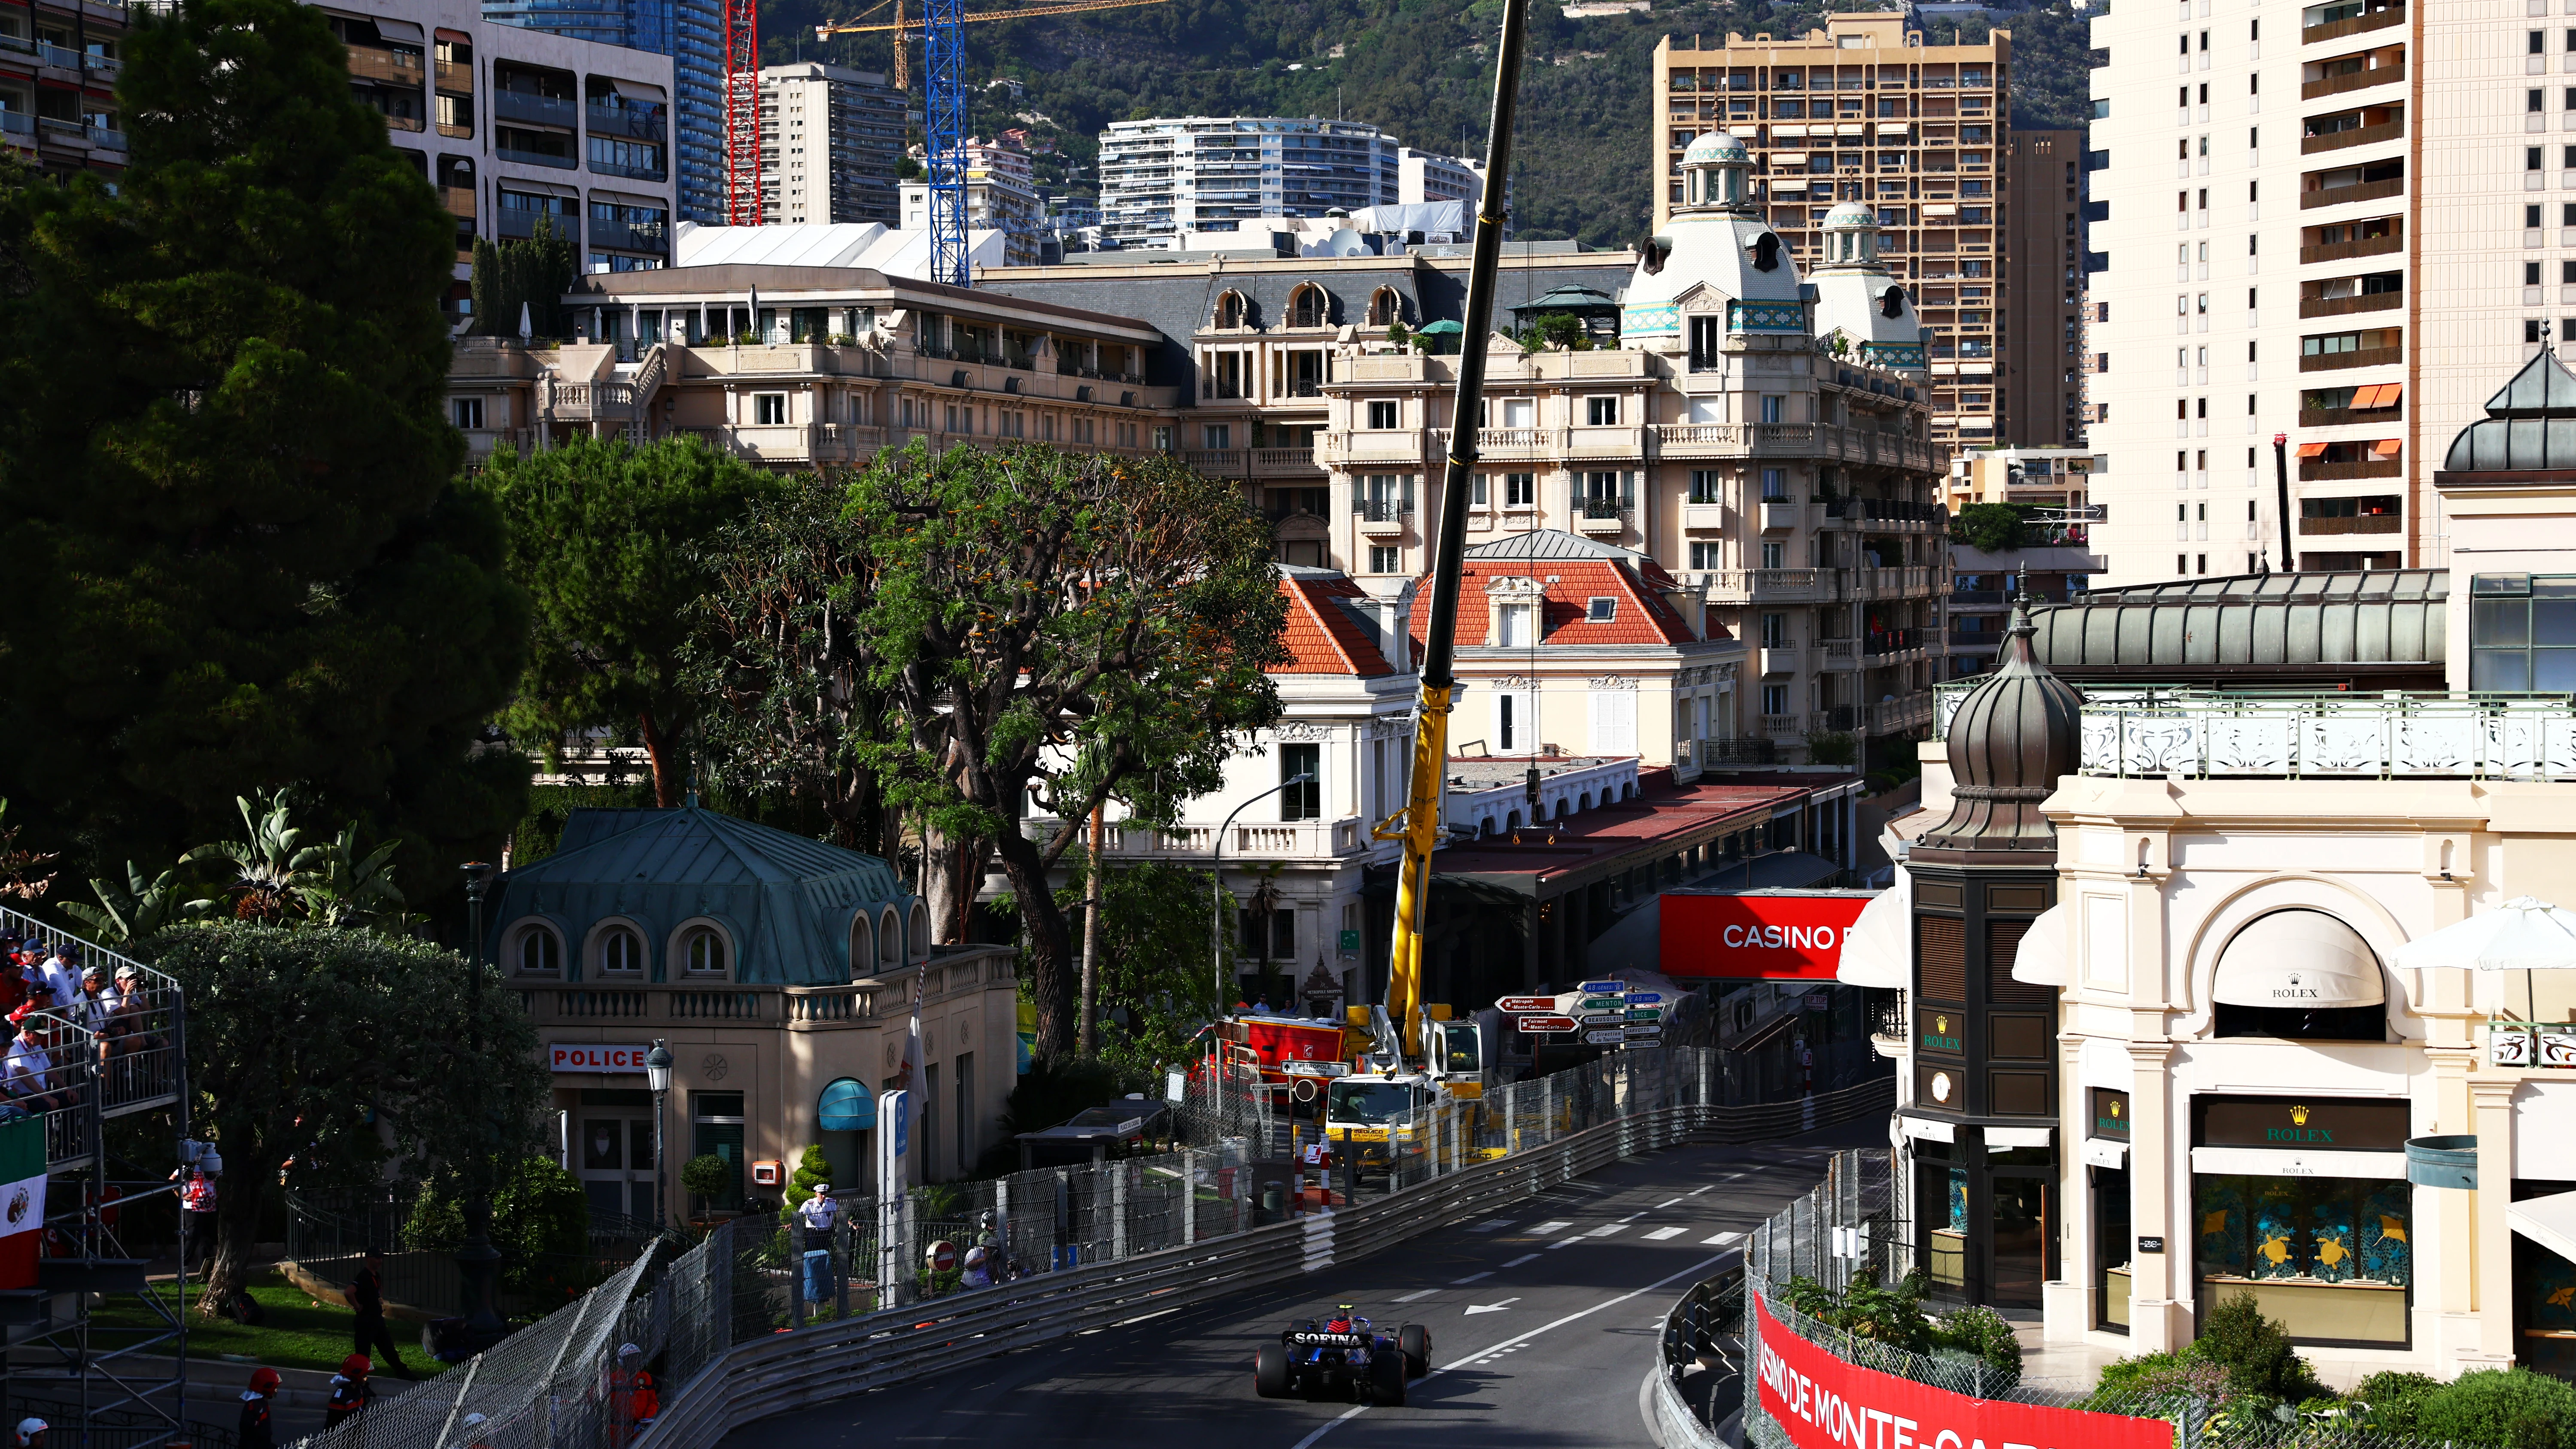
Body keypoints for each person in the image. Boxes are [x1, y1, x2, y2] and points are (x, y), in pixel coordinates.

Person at [349, 1249, 416, 1379]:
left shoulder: (376, 1275)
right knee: (363, 1353)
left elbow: (379, 1289)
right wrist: (358, 1307)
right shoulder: (364, 1276)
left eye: (381, 1258)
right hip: (366, 1320)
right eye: (377, 1258)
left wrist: (379, 1299)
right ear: (368, 1259)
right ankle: (359, 1378)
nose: (380, 1261)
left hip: (377, 1319)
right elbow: (348, 1292)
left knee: (388, 1348)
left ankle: (402, 1372)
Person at [607, 1344, 658, 1449]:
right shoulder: (613, 1378)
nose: (634, 1362)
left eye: (636, 1358)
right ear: (622, 1360)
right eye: (630, 1359)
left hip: (640, 1428)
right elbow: (599, 1400)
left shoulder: (645, 1378)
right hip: (617, 1428)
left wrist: (647, 1418)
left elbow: (653, 1402)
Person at [173, 1166, 218, 1275]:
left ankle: (205, 1270)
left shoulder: (213, 1162)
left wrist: (217, 1196)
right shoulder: (187, 1167)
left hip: (209, 1207)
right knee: (193, 1235)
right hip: (192, 1207)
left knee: (207, 1238)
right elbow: (171, 1180)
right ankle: (184, 1267)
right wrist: (181, 1197)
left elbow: (222, 1182)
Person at [323, 1352, 374, 1430]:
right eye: (364, 1376)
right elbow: (333, 1423)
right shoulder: (341, 1397)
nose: (366, 1379)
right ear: (356, 1375)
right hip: (343, 1438)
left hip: (358, 1435)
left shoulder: (360, 1389)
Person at [237, 1371, 278, 1449]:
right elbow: (248, 1430)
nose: (276, 1391)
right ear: (267, 1387)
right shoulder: (255, 1405)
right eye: (275, 1388)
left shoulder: (263, 1401)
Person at [794, 1183, 838, 1253]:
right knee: (812, 1253)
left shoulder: (831, 1203)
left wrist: (851, 1224)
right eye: (821, 1194)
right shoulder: (809, 1204)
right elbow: (800, 1216)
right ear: (816, 1194)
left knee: (825, 1253)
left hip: (826, 1232)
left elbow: (840, 1215)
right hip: (813, 1233)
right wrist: (792, 1224)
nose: (823, 1196)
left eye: (825, 1194)